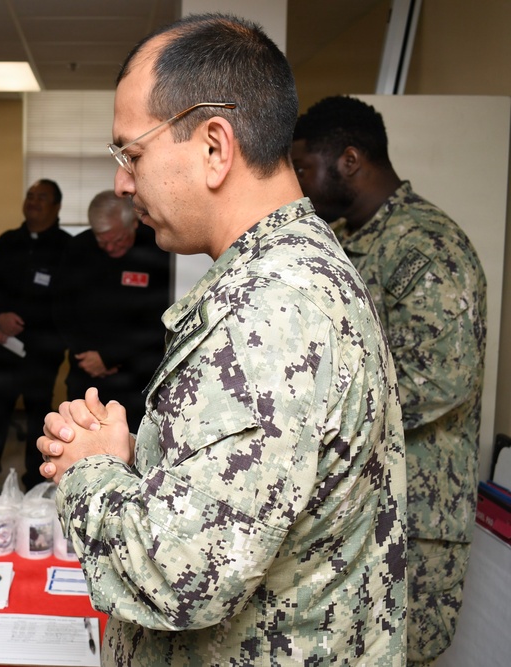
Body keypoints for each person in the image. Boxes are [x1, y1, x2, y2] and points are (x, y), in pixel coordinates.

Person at [36, 14, 408, 665]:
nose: (123, 182)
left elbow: (179, 572)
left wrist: (88, 468)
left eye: (132, 153)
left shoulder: (269, 307)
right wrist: (130, 461)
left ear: (214, 147)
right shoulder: (303, 261)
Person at [292, 95, 487, 666]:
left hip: (415, 514)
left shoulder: (424, 245)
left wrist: (318, 422)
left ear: (349, 160)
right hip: (365, 507)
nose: (299, 184)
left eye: (305, 168)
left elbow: (441, 380)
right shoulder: (356, 243)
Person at [0, 179, 70, 491]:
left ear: (56, 206)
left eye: (42, 197)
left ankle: (36, 485)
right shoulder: (8, 240)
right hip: (0, 347)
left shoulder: (67, 247)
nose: (34, 202)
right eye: (30, 196)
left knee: (39, 421)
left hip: (41, 352)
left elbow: (67, 301)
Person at [55, 190, 169, 423]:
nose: (109, 248)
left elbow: (159, 317)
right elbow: (61, 308)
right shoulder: (78, 248)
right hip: (85, 371)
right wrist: (86, 356)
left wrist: (108, 357)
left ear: (134, 224)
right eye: (101, 241)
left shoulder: (157, 249)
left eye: (117, 240)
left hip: (136, 377)